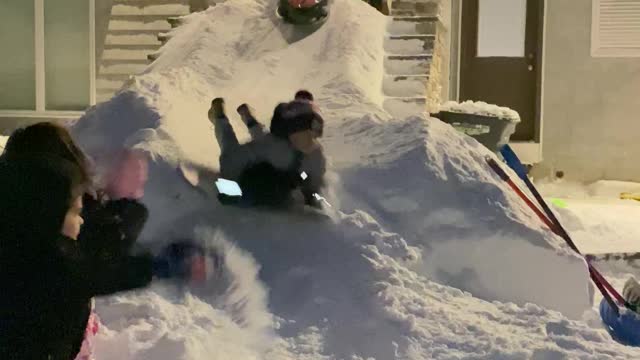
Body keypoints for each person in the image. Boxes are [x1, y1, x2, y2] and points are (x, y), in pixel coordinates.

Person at [210, 97, 326, 208]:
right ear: (290, 131)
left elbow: (315, 184)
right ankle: (220, 118)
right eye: (306, 131)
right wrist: (229, 187)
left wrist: (313, 199)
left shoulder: (316, 156)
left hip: (280, 181)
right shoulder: (275, 146)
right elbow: (232, 156)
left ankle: (248, 117)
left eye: (315, 130)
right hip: (253, 179)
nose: (312, 137)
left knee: (261, 138)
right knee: (229, 142)